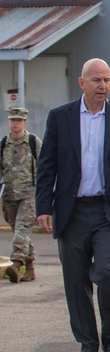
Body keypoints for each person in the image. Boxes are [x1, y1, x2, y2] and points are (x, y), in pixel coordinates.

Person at [35, 58, 110, 352]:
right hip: (72, 211)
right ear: (82, 83)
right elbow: (47, 166)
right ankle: (87, 348)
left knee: (107, 272)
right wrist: (43, 207)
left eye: (107, 80)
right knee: (76, 280)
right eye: (96, 80)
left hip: (108, 210)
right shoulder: (61, 117)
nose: (102, 86)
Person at [2, 107, 40, 283]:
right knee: (22, 232)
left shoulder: (33, 142)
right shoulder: (3, 144)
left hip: (29, 194)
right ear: (9, 122)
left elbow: (46, 166)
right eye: (13, 120)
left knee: (21, 229)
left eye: (19, 120)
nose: (16, 123)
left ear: (24, 122)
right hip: (9, 195)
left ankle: (16, 263)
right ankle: (30, 268)